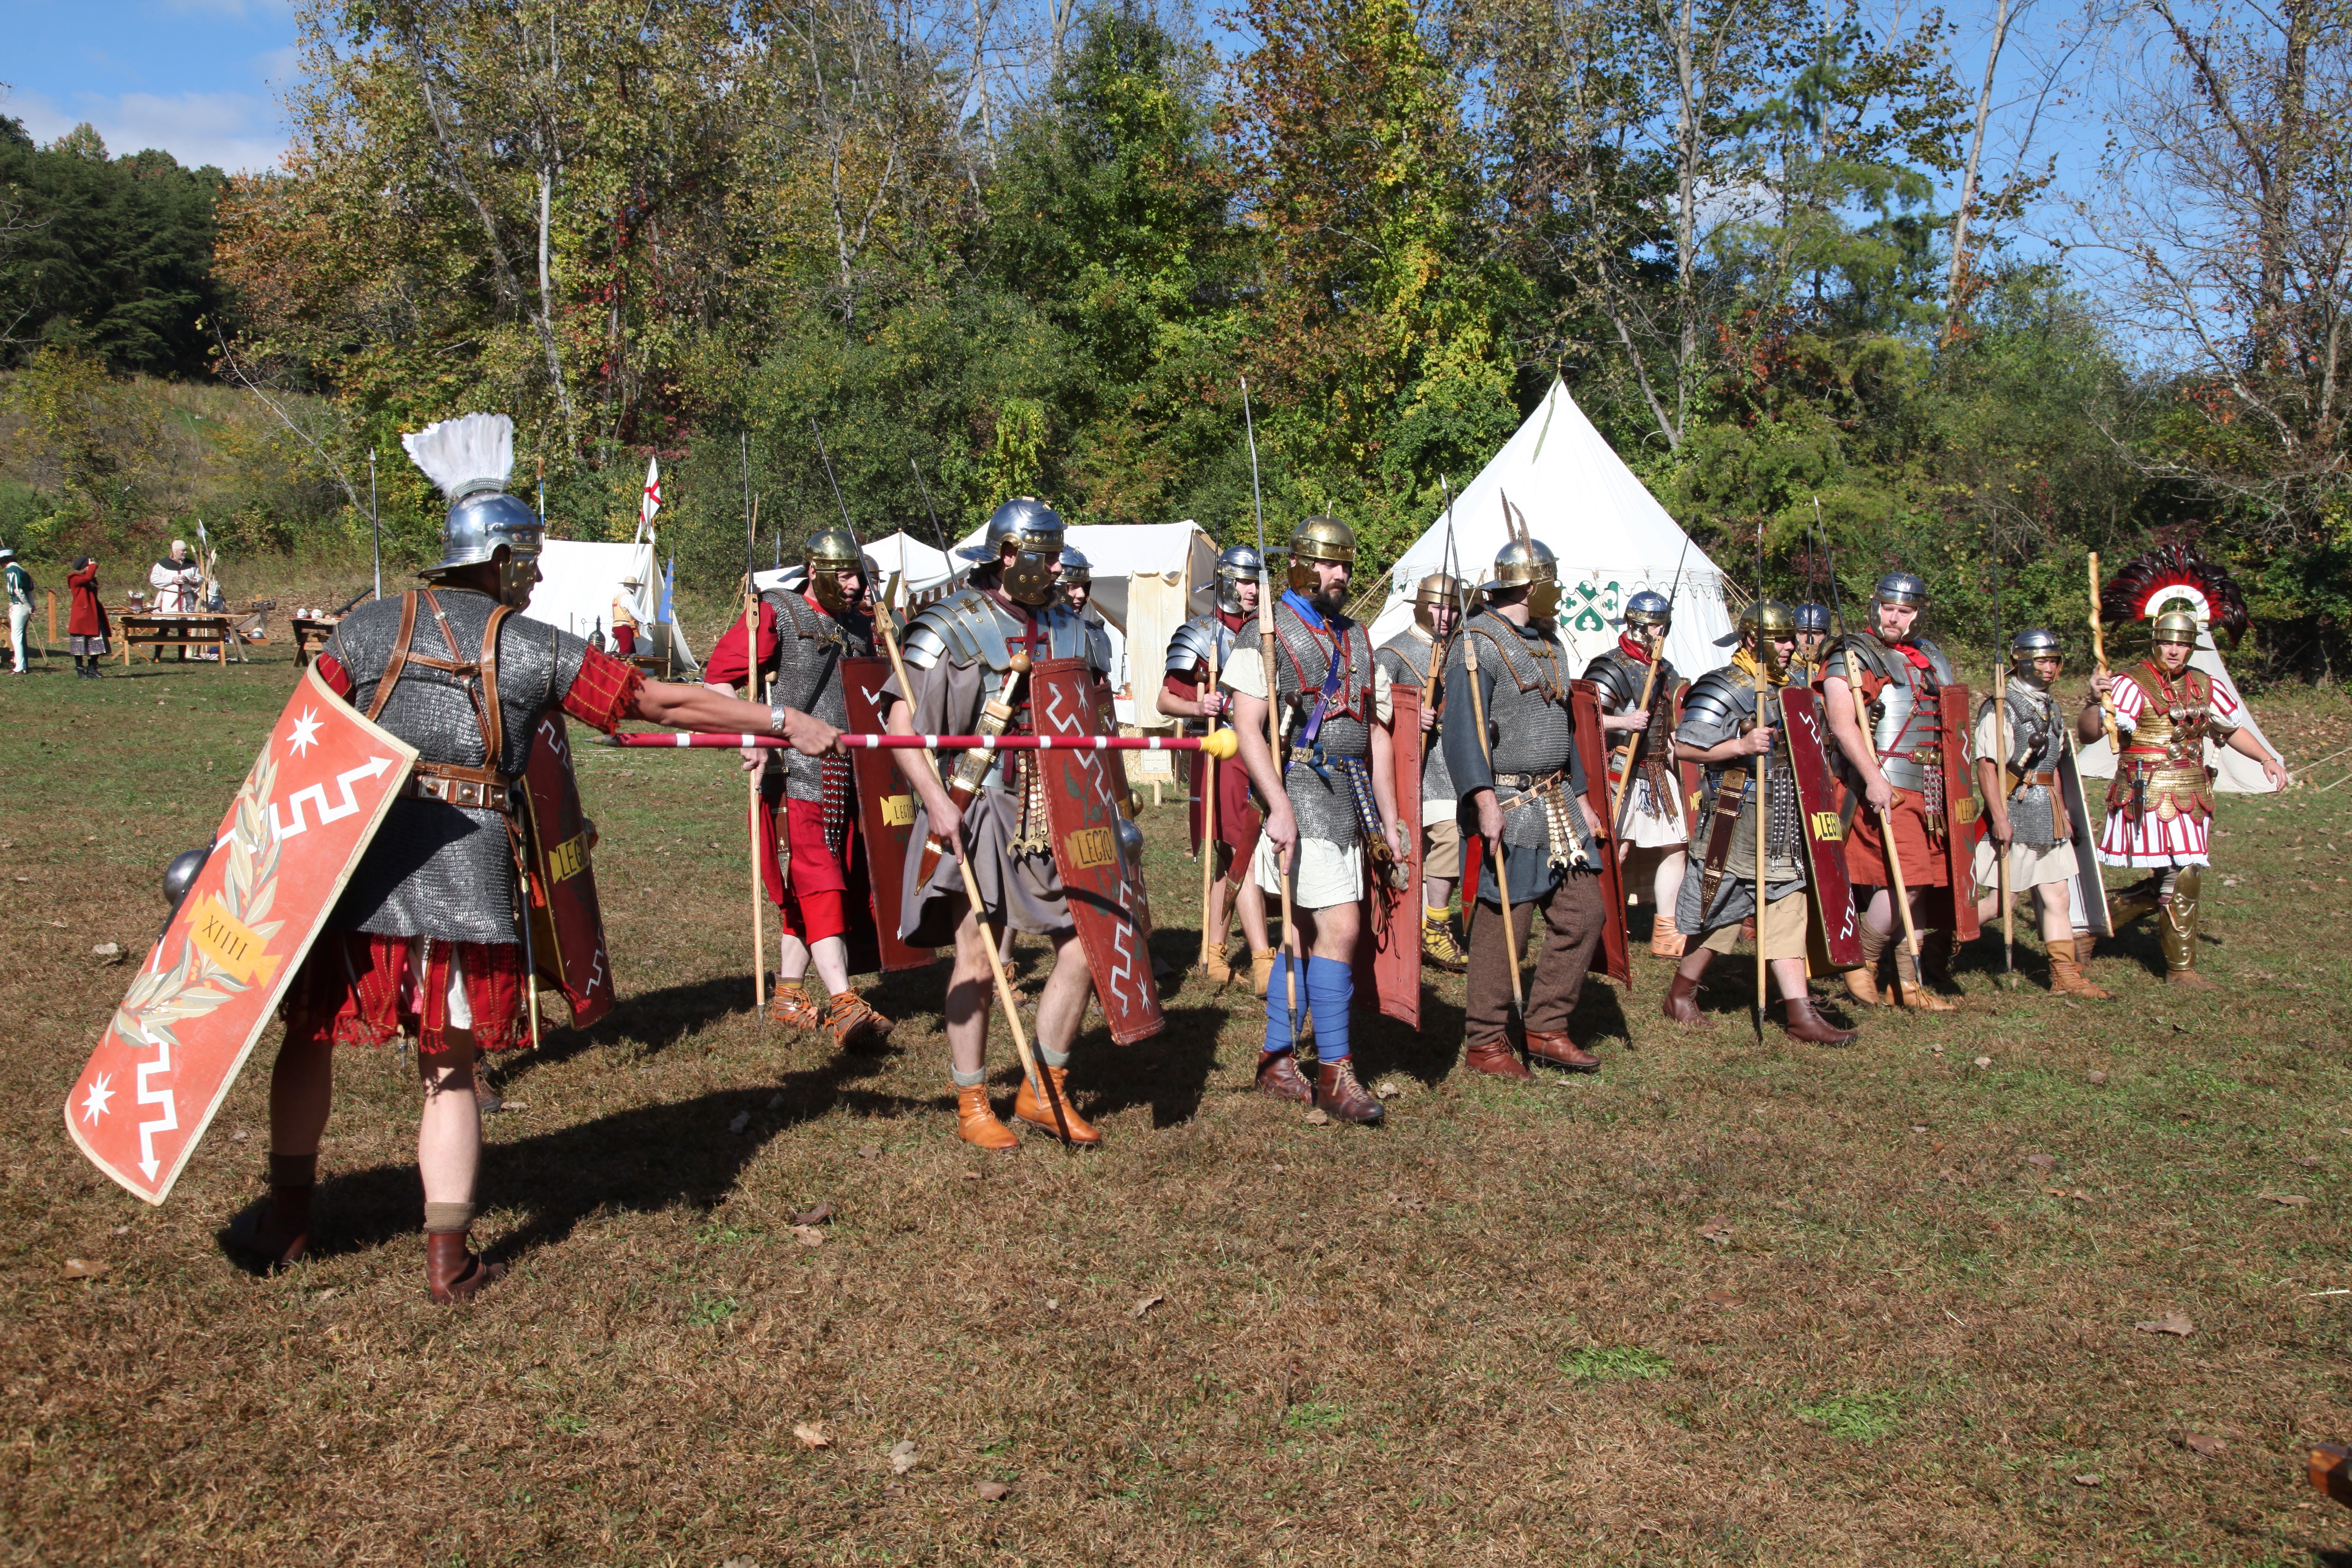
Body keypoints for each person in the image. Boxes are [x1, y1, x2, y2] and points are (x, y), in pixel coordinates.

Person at [226, 412, 838, 1302]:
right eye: (534, 558)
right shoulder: (530, 647)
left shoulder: (368, 627)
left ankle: (287, 1221)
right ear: (504, 561)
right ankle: (447, 1259)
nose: (542, 572)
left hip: (354, 871)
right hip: (464, 879)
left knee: (310, 1037)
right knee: (451, 1067)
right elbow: (659, 702)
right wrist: (783, 720)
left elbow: (300, 746)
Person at [883, 498, 1117, 1149]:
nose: (1057, 569)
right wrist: (934, 799)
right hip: (977, 802)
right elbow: (900, 728)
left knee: (1085, 946)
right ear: (1007, 557)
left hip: (1057, 807)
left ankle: (1044, 1087)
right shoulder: (949, 626)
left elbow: (1095, 722)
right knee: (979, 961)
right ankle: (972, 1099)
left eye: (1058, 556)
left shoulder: (1072, 628)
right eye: (1044, 557)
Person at [1227, 516, 1399, 1123]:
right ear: (1301, 565)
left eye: (1348, 563)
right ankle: (1336, 1075)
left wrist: (1392, 816)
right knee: (1342, 929)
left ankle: (1277, 1061)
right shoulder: (1266, 633)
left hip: (1349, 797)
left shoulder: (1357, 635)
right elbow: (1247, 727)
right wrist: (1278, 803)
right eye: (1330, 563)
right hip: (1302, 789)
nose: (1342, 574)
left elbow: (1374, 732)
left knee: (1302, 932)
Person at [704, 527, 893, 1048]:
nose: (857, 585)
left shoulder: (861, 625)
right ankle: (843, 1000)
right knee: (819, 878)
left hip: (849, 774)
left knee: (828, 883)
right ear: (816, 571)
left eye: (861, 575)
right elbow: (717, 679)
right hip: (796, 772)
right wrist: (752, 733)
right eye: (846, 575)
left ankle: (789, 993)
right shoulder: (778, 612)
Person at [1444, 534, 1612, 1076]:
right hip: (1510, 802)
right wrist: (1484, 798)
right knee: (1503, 930)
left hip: (1559, 801)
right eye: (1554, 583)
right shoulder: (1477, 642)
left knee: (1586, 913)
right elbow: (1462, 732)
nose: (1560, 594)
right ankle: (1486, 1042)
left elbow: (1562, 726)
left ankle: (1546, 1027)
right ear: (1532, 585)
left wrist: (1583, 795)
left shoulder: (1551, 643)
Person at [1661, 601, 1859, 1043]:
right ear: (1754, 640)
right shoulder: (1724, 687)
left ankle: (1798, 1014)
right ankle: (1680, 994)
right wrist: (1740, 745)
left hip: (1788, 815)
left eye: (1793, 638)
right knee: (1723, 915)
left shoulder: (1796, 686)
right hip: (1737, 818)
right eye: (1782, 639)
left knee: (1788, 903)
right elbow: (1685, 749)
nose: (1792, 646)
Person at [2082, 605, 2288, 985]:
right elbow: (2091, 733)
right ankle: (2175, 967)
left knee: (2179, 875)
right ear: (2156, 642)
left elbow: (2228, 731)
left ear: (2191, 647)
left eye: (2182, 644)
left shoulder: (2206, 683)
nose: (2174, 650)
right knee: (2180, 875)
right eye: (2167, 642)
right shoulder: (2130, 683)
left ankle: (2093, 929)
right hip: (2147, 791)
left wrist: (2266, 758)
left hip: (2191, 794)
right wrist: (2096, 701)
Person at [1823, 570, 1963, 1010]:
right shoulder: (1852, 655)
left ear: (1917, 615)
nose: (1895, 618)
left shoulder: (1930, 657)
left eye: (1904, 611)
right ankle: (1860, 962)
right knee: (1907, 883)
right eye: (1889, 608)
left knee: (1922, 883)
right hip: (1886, 783)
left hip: (1932, 789)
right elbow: (1843, 726)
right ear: (1874, 606)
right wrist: (1875, 779)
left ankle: (1907, 983)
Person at [1161, 546, 1276, 990]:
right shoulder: (1200, 633)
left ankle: (1212, 952)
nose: (1252, 591)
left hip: (1265, 750)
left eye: (1256, 582)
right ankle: (1264, 957)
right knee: (1238, 848)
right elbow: (1164, 699)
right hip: (1225, 752)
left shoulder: (1267, 632)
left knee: (1235, 856)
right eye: (1245, 582)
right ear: (1226, 582)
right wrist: (1198, 703)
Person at [1973, 629, 2110, 998]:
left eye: (2054, 661)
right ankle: (1940, 944)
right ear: (2022, 662)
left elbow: (2055, 765)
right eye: (2042, 661)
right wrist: (2000, 817)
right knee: (2001, 903)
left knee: (2058, 897)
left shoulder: (2049, 703)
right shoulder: (2003, 705)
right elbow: (1988, 767)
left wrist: (2063, 810)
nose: (2049, 669)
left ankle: (2065, 976)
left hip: (2047, 810)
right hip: (2015, 808)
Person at [1582, 590, 1690, 957]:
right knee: (1618, 849)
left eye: (1664, 626)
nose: (1661, 633)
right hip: (1621, 770)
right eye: (1657, 627)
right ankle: (1594, 928)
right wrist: (1624, 721)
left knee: (1677, 846)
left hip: (1657, 771)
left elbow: (1671, 723)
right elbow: (1584, 716)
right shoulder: (1611, 666)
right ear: (1639, 627)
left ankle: (1665, 929)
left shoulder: (1664, 669)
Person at [1374, 573, 1469, 971]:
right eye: (1437, 606)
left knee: (1449, 841)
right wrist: (1411, 719)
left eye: (1451, 607)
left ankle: (1434, 924)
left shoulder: (1463, 652)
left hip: (1447, 767)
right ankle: (1410, 924)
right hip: (1406, 769)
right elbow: (1374, 716)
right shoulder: (1392, 653)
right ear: (1421, 604)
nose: (1445, 616)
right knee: (1409, 848)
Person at [67, 557, 109, 679]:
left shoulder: (89, 579)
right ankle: (80, 670)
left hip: (94, 614)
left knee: (99, 642)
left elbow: (90, 579)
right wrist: (93, 566)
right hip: (81, 616)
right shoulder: (74, 578)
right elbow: (87, 578)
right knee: (79, 645)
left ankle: (92, 668)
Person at [3, 547, 33, 675]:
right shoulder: (22, 569)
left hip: (19, 605)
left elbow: (17, 590)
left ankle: (19, 667)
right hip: (24, 606)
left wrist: (28, 605)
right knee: (21, 637)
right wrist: (31, 606)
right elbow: (31, 590)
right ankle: (23, 665)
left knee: (16, 637)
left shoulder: (11, 569)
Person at [1791, 602, 1832, 681]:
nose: (1809, 639)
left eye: (1817, 633)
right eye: (1802, 633)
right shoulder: (1782, 671)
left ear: (1827, 637)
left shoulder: (1831, 670)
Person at [611, 578, 640, 659]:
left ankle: (633, 671)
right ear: (633, 586)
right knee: (625, 654)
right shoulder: (627, 597)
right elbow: (635, 612)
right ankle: (618, 671)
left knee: (632, 653)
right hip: (624, 627)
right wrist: (647, 622)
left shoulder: (617, 597)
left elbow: (612, 613)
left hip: (617, 626)